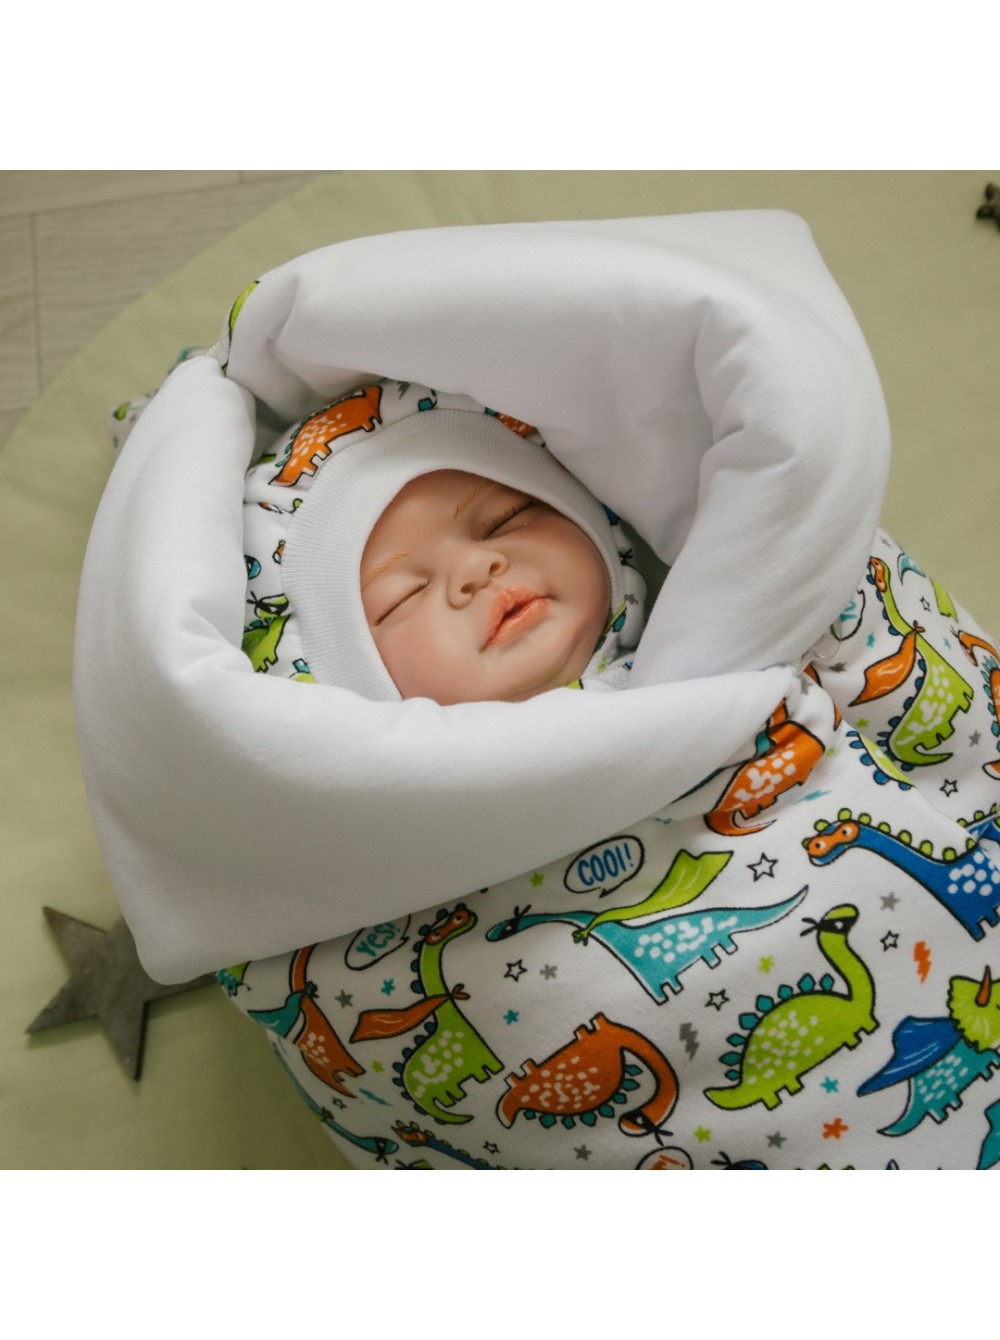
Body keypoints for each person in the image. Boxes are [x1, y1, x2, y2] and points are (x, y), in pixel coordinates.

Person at [228, 378, 1000, 1171]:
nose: (478, 567)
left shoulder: (751, 624)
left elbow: (935, 696)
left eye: (506, 517)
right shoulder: (373, 865)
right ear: (332, 684)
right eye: (401, 597)